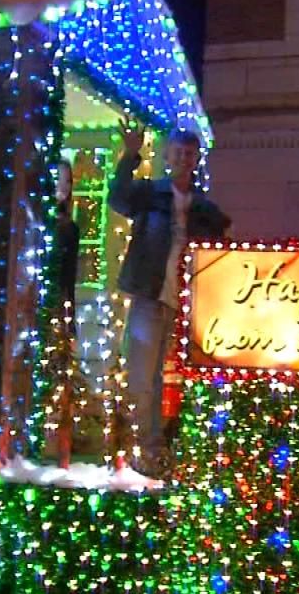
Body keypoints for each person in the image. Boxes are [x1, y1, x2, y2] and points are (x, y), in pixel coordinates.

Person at [108, 121, 229, 473]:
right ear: (166, 156)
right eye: (178, 152)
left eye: (189, 154)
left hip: (187, 307)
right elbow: (118, 197)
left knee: (172, 379)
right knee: (143, 377)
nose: (183, 159)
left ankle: (167, 449)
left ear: (196, 160)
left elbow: (221, 240)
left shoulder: (203, 209)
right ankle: (146, 448)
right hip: (151, 296)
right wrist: (130, 155)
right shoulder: (150, 195)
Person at [53, 158, 80, 312]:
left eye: (68, 181)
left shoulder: (70, 229)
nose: (64, 186)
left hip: (56, 304)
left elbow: (69, 278)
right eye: (59, 179)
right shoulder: (33, 220)